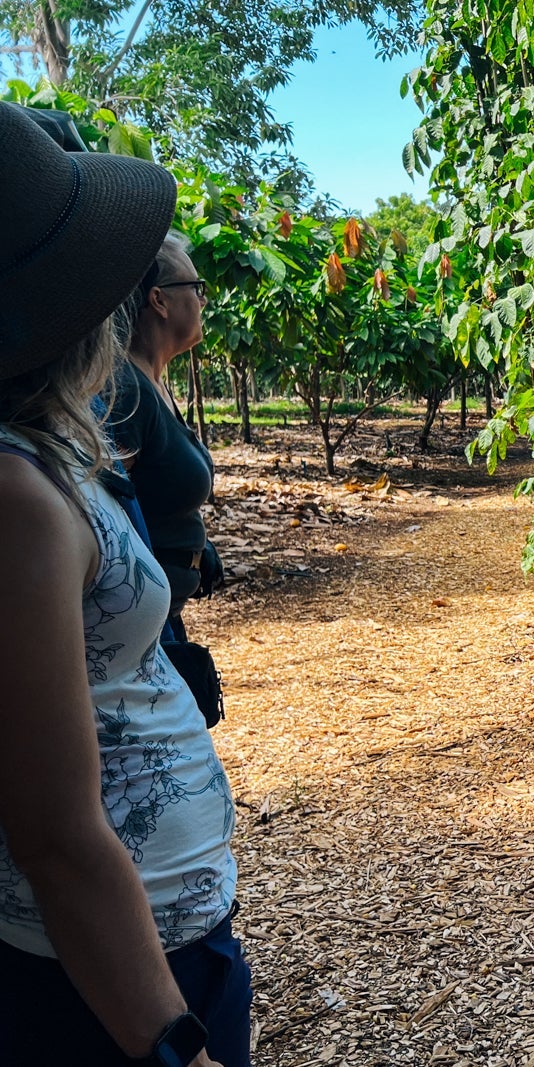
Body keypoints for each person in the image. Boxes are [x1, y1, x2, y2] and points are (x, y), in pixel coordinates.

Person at [0, 103, 249, 1065]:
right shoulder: (15, 496)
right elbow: (55, 834)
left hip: (159, 933)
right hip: (109, 983)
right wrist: (168, 1042)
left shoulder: (43, 457)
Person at [109, 233, 219, 638]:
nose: (203, 300)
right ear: (159, 300)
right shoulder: (126, 393)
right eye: (196, 288)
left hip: (165, 614)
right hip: (142, 624)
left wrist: (194, 551)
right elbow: (108, 514)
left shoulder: (152, 382)